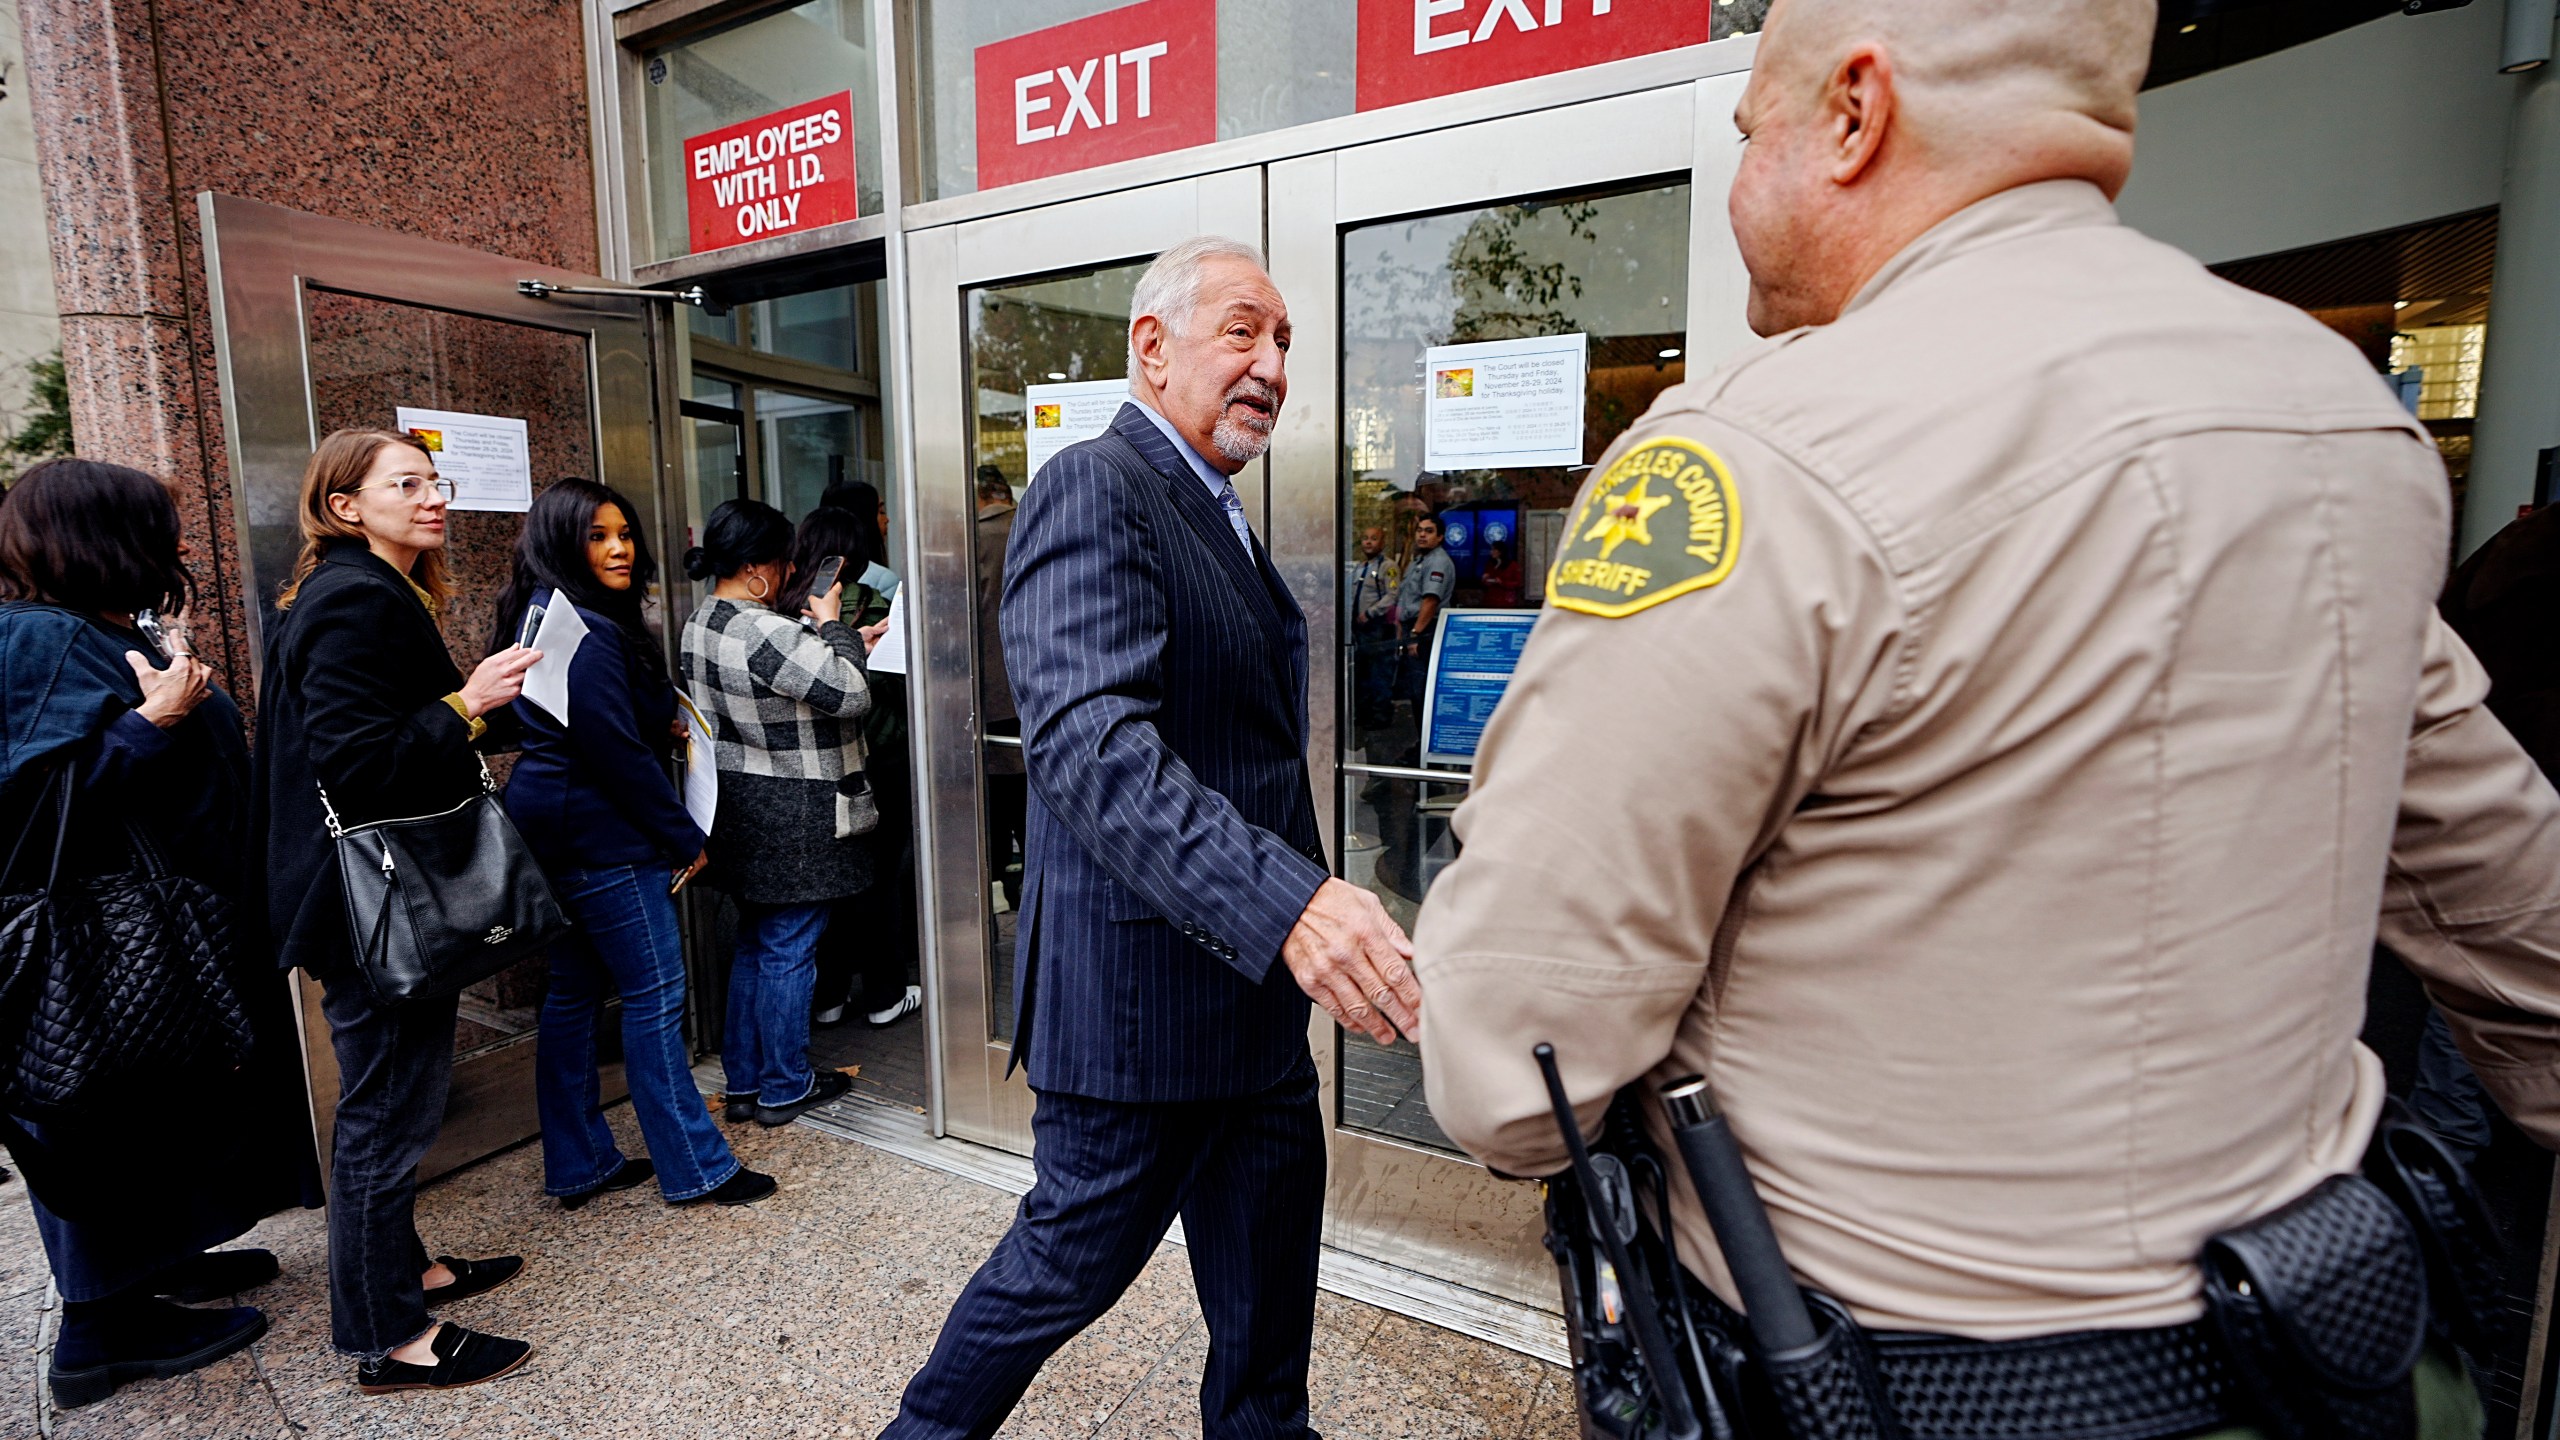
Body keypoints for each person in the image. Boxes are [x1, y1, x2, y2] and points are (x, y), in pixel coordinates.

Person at [1412, 0, 2557, 1433]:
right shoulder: (2342, 425)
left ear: (1854, 112)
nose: (1738, 180)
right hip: (2320, 1362)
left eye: (1748, 129)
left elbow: (1508, 1066)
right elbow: (2521, 938)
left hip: (1887, 1389)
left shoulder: (1762, 456)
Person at [880, 236, 1421, 1440]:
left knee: (1269, 1279)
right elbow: (1091, 752)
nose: (1272, 364)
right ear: (1151, 345)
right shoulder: (1096, 482)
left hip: (1253, 1013)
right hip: (1142, 1011)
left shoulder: (1212, 505)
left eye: (1283, 342)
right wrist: (1289, 903)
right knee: (1061, 1274)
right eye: (1243, 330)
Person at [0, 459, 321, 1408]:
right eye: (162, 529)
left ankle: (156, 1268)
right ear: (99, 540)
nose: (182, 547)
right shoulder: (33, 640)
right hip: (96, 942)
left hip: (159, 925)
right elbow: (26, 813)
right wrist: (153, 721)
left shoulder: (87, 629)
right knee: (95, 1111)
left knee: (147, 1107)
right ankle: (102, 1331)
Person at [255, 428, 538, 1393]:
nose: (431, 498)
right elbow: (360, 762)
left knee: (397, 1101)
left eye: (433, 480)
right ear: (345, 506)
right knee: (385, 1116)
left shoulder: (369, 589)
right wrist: (465, 706)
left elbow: (397, 724)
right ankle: (387, 1337)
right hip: (369, 907)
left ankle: (406, 1271)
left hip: (377, 898)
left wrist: (491, 703)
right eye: (404, 484)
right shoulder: (350, 600)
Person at [491, 480, 777, 1209]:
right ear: (562, 541)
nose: (619, 547)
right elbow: (612, 751)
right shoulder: (586, 626)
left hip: (554, 827)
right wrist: (684, 837)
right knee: (653, 997)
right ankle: (696, 1166)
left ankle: (581, 1161)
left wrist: (657, 724)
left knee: (574, 994)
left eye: (624, 532)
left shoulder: (540, 612)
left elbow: (579, 724)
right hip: (600, 832)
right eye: (597, 536)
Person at [681, 498, 879, 1127]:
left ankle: (745, 1083)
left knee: (757, 943)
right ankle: (786, 1085)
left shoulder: (701, 621)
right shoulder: (766, 630)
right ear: (759, 568)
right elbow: (849, 694)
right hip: (798, 805)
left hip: (740, 801)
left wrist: (839, 642)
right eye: (783, 561)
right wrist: (834, 624)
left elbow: (801, 682)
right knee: (791, 945)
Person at [777, 502, 920, 1030]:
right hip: (877, 759)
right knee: (879, 880)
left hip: (810, 769)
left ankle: (828, 996)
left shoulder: (779, 613)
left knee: (828, 886)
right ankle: (884, 993)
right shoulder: (878, 604)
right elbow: (899, 688)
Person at [974, 464, 1026, 910]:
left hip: (985, 697)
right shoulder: (1034, 524)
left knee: (992, 801)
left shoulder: (967, 541)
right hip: (1033, 690)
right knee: (1033, 802)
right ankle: (1031, 886)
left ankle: (993, 893)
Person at [1346, 525, 1398, 732]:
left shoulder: (1388, 567)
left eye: (1374, 538)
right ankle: (1364, 713)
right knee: (1362, 674)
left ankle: (1380, 716)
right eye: (1365, 538)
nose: (1368, 542)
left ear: (1383, 543)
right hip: (1358, 630)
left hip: (1377, 628)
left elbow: (1392, 596)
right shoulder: (1359, 567)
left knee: (1379, 674)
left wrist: (1370, 613)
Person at [1392, 512, 1455, 675]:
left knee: (1420, 681)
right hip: (1411, 627)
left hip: (1425, 628)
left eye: (1429, 531)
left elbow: (1431, 601)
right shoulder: (1418, 560)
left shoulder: (1437, 561)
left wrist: (1415, 634)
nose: (1422, 535)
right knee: (1411, 681)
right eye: (1419, 530)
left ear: (1440, 536)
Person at [1477, 538, 1522, 609]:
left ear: (1500, 551)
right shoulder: (1490, 564)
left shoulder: (1512, 565)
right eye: (1491, 550)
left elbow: (1517, 583)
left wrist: (1502, 582)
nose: (1491, 552)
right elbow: (1486, 582)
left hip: (1506, 600)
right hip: (1491, 600)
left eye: (1494, 550)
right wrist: (1484, 579)